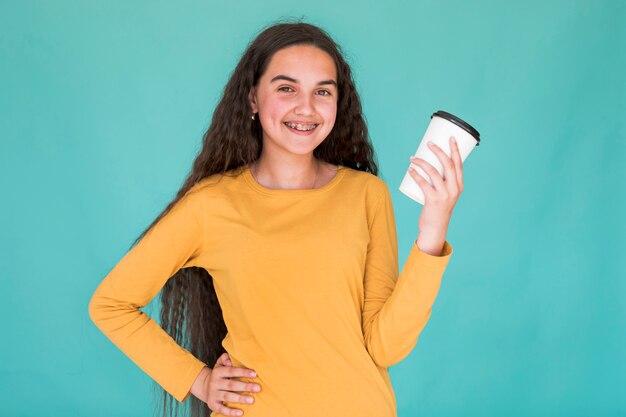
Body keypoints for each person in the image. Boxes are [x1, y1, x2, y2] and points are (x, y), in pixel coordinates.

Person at [88, 21, 464, 417]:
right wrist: (198, 380)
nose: (306, 107)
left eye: (323, 91)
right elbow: (110, 304)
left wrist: (432, 232)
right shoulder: (211, 204)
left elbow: (386, 346)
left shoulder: (366, 194)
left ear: (338, 103)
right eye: (287, 88)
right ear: (252, 98)